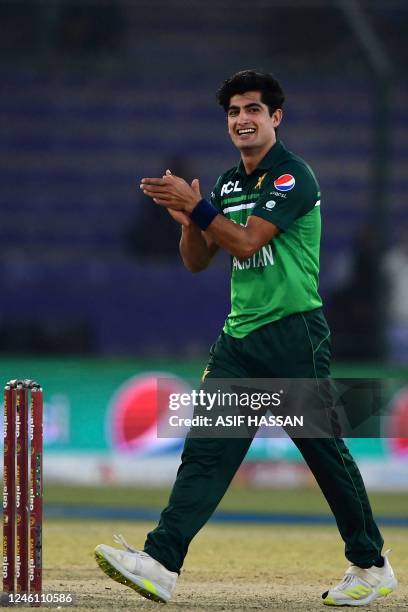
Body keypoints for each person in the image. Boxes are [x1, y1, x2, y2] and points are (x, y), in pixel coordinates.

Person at [94, 70, 397, 607]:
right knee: (207, 453)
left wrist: (199, 209)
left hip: (294, 333)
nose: (242, 120)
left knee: (324, 452)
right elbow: (197, 261)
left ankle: (371, 565)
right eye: (233, 112)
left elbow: (245, 241)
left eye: (253, 110)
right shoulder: (229, 184)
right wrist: (189, 221)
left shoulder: (292, 177)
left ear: (275, 118)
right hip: (239, 339)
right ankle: (161, 563)